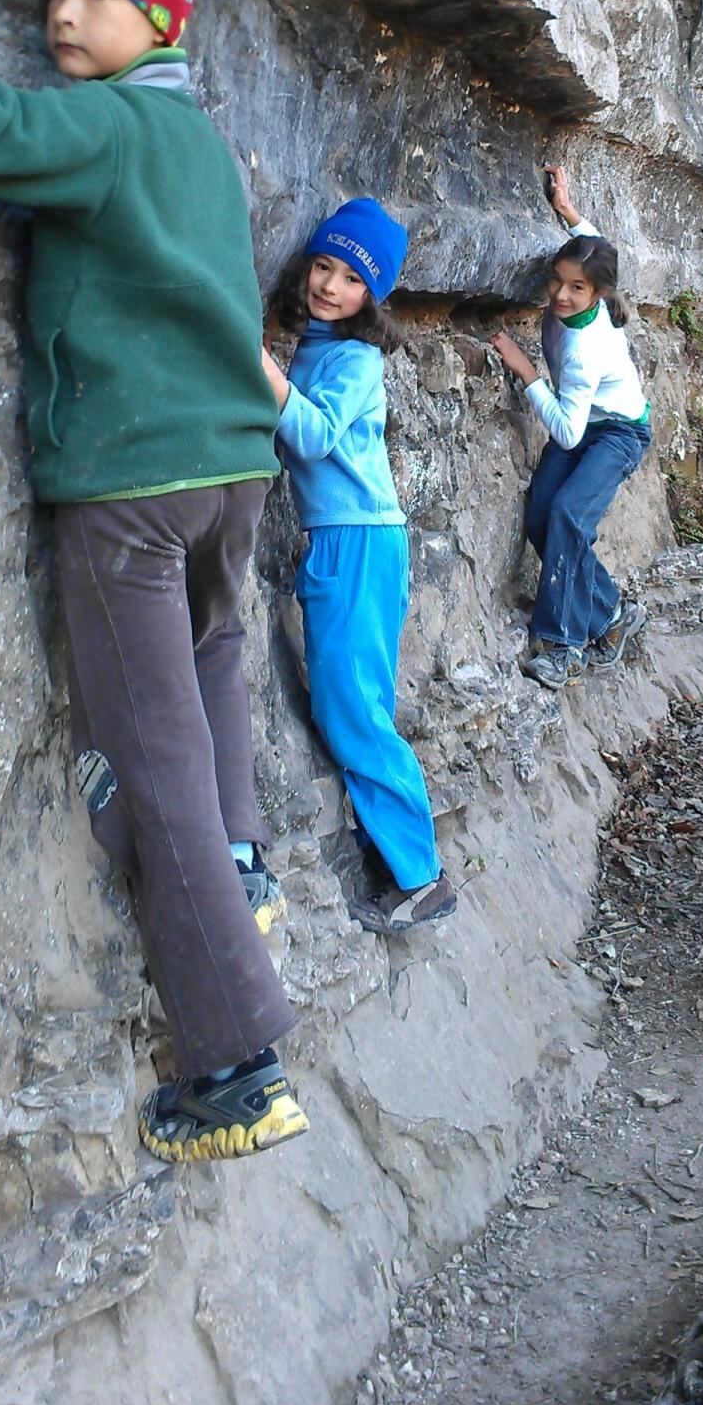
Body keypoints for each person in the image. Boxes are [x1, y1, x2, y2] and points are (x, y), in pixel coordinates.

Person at [0, 0, 309, 1160]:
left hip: (131, 495)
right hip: (230, 479)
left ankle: (236, 1063)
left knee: (148, 763)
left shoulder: (108, 129)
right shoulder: (201, 143)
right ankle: (248, 873)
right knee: (218, 675)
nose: (62, 13)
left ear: (159, 15)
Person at [262, 199, 457, 931]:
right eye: (322, 266)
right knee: (349, 705)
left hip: (361, 541)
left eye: (350, 278)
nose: (329, 285)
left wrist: (256, 362)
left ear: (372, 296)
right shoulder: (317, 347)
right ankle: (403, 856)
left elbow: (308, 436)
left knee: (353, 714)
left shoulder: (355, 358)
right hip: (343, 538)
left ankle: (421, 877)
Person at [492, 164, 651, 690]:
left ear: (599, 294)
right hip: (585, 421)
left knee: (568, 515)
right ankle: (612, 614)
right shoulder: (586, 271)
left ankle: (564, 646)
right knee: (542, 516)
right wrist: (565, 206)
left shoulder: (587, 351)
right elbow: (591, 240)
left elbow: (565, 432)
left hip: (617, 432)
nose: (560, 295)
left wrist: (527, 371)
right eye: (557, 281)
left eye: (575, 289)